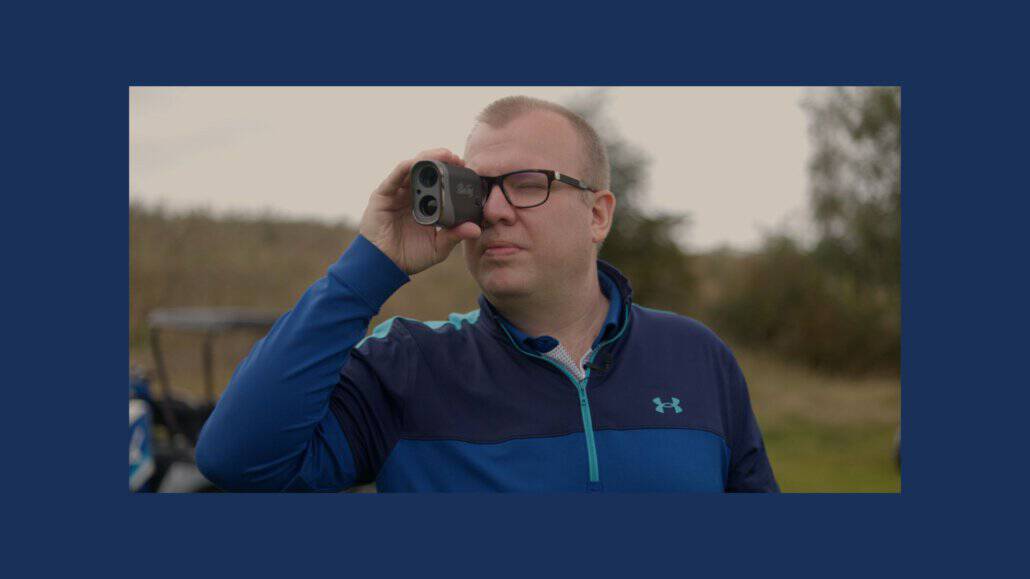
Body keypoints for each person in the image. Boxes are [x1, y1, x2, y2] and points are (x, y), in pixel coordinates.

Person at [195, 96, 779, 492]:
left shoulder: (695, 357)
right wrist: (370, 266)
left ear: (598, 214)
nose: (493, 211)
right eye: (478, 189)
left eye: (528, 185)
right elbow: (239, 460)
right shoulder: (408, 368)